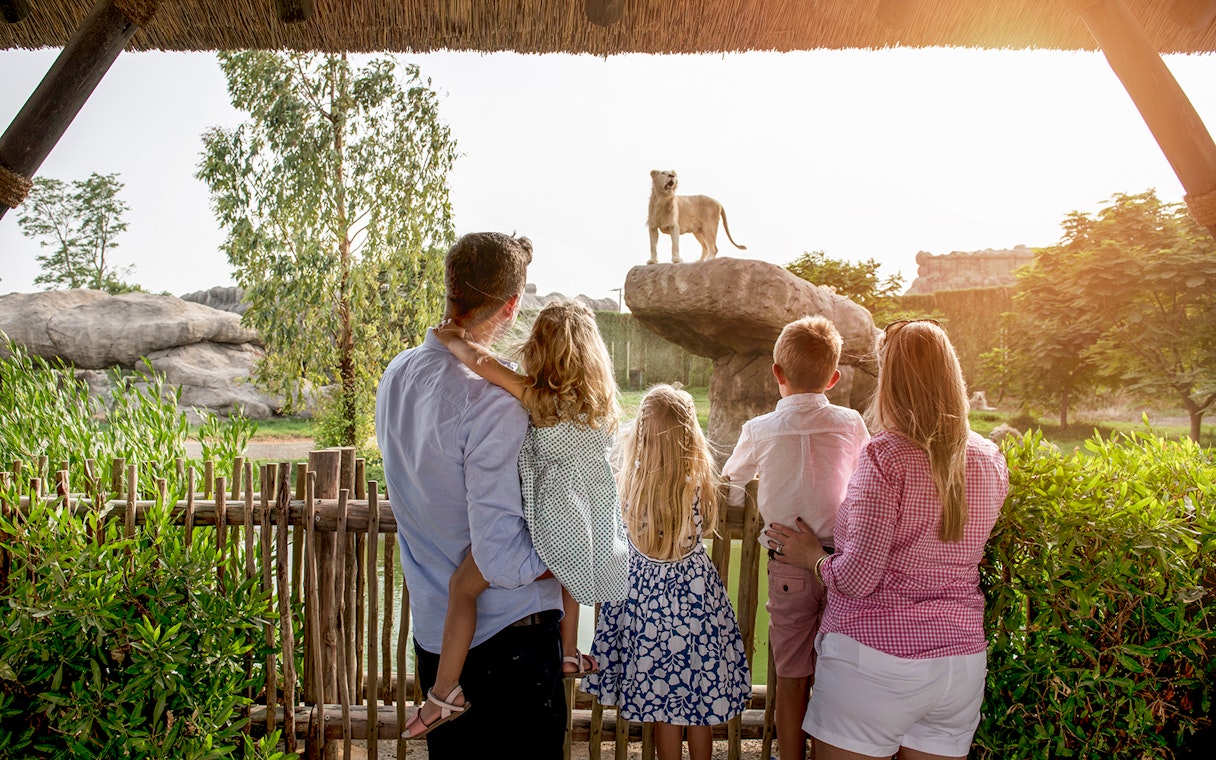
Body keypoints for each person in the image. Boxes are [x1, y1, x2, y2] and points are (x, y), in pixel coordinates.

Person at [766, 319, 1010, 760]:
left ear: (891, 379)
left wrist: (812, 558)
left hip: (875, 664)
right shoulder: (988, 458)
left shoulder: (885, 456)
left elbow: (857, 579)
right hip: (960, 667)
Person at [374, 232, 566, 758]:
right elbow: (499, 554)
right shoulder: (494, 405)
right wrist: (570, 558)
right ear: (511, 305)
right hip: (509, 645)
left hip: (437, 641)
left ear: (450, 287)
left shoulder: (395, 374)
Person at [419, 298, 629, 732]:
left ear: (540, 348)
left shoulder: (540, 399)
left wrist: (452, 338)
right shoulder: (600, 408)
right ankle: (569, 652)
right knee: (570, 575)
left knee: (462, 586)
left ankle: (445, 691)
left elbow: (482, 364)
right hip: (588, 529)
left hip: (551, 526)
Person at [721, 315, 869, 760]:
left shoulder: (759, 429)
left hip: (788, 563)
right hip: (841, 563)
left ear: (777, 374)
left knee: (790, 676)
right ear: (834, 377)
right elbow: (867, 476)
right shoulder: (849, 423)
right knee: (835, 675)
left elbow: (729, 484)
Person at [583, 384, 752, 760]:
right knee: (698, 708)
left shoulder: (629, 484)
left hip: (645, 605)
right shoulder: (698, 483)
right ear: (689, 436)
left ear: (640, 434)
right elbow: (707, 525)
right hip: (694, 601)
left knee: (663, 707)